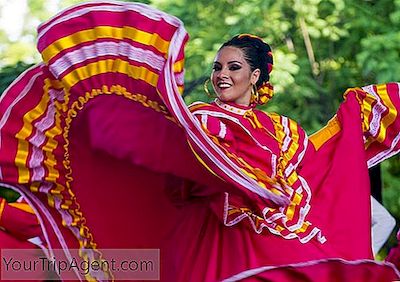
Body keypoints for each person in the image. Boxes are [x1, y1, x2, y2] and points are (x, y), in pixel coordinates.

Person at [0, 1, 399, 281]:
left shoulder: (284, 131)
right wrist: (132, 133)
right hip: (206, 249)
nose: (222, 74)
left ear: (256, 76)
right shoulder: (203, 119)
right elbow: (175, 158)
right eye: (217, 66)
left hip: (272, 248)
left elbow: (317, 173)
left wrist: (357, 120)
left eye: (234, 67)